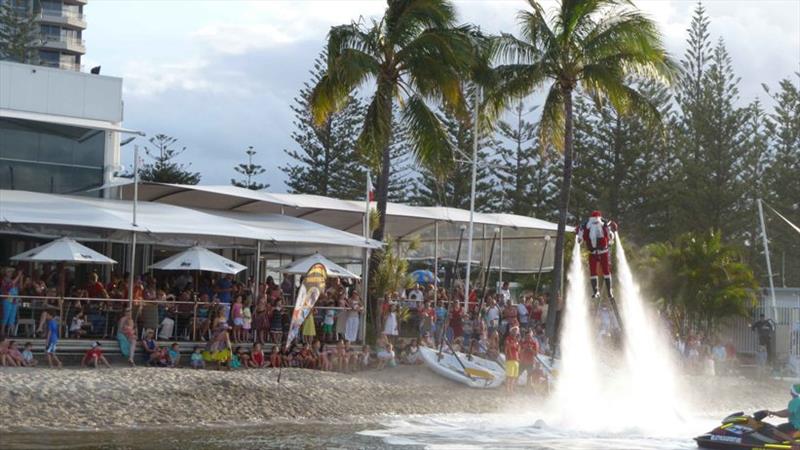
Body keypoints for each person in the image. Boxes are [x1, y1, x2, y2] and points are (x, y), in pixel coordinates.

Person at [577, 210, 618, 299]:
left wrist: (611, 238)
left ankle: (609, 291)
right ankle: (596, 291)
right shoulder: (587, 226)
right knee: (593, 271)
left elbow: (610, 234)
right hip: (593, 253)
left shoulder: (603, 224)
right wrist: (579, 237)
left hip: (603, 252)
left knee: (606, 270)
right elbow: (580, 235)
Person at [504, 327, 521, 394]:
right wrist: (506, 357)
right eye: (514, 331)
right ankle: (507, 390)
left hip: (516, 360)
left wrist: (517, 342)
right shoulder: (508, 338)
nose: (515, 332)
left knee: (513, 376)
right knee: (509, 376)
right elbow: (507, 347)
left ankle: (511, 390)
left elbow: (518, 350)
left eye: (516, 331)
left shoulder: (516, 340)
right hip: (510, 359)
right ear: (511, 331)